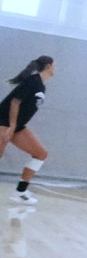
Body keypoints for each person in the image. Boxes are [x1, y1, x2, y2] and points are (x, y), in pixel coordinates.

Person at [1, 56, 56, 208]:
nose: (55, 69)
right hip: (3, 122)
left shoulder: (41, 86)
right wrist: (11, 125)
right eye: (54, 66)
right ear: (48, 66)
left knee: (40, 153)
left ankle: (20, 192)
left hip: (17, 126)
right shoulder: (33, 81)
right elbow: (15, 102)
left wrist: (15, 126)